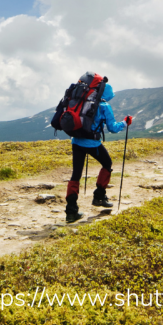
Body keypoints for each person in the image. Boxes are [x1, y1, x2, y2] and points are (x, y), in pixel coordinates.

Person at [66, 83, 130, 223]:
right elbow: (112, 128)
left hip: (76, 141)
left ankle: (71, 211)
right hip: (92, 143)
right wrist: (125, 123)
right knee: (107, 163)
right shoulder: (104, 106)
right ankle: (99, 197)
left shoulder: (82, 102)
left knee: (76, 174)